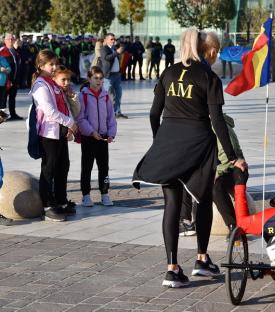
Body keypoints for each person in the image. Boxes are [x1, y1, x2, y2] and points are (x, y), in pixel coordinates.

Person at [132, 28, 248, 288]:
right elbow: (217, 121)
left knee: (171, 204)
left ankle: (172, 269)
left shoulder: (168, 72)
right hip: (198, 145)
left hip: (168, 142)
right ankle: (201, 259)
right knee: (203, 200)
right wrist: (232, 157)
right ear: (211, 51)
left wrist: (159, 141)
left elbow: (153, 114)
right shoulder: (209, 77)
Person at [179, 113, 245, 240]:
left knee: (214, 188)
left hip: (233, 169)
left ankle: (233, 227)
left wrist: (215, 173)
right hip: (221, 168)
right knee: (186, 177)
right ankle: (185, 222)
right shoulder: (209, 123)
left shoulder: (216, 125)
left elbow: (228, 156)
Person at [31, 50, 78, 222]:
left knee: (63, 166)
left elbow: (64, 105)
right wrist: (69, 122)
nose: (54, 67)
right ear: (41, 66)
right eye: (51, 64)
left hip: (61, 131)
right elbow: (49, 111)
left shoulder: (53, 83)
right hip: (48, 133)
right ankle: (47, 205)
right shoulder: (40, 85)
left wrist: (70, 123)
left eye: (55, 63)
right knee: (49, 168)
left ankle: (61, 199)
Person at [77, 66, 117, 207]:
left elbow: (111, 117)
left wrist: (111, 133)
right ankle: (86, 195)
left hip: (103, 137)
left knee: (104, 167)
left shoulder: (105, 96)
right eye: (96, 78)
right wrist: (91, 132)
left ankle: (104, 193)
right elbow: (80, 118)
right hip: (89, 137)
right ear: (89, 79)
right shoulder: (83, 96)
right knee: (86, 167)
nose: (99, 81)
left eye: (101, 78)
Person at [101, 33, 127, 119]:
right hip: (109, 76)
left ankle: (117, 112)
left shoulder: (114, 48)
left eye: (114, 39)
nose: (113, 41)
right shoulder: (104, 48)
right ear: (107, 40)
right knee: (107, 94)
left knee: (118, 94)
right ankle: (105, 113)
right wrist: (116, 52)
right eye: (111, 39)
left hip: (117, 75)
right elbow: (106, 58)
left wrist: (118, 50)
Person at [0, 33, 22, 120]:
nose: (10, 41)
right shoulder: (2, 50)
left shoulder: (15, 51)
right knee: (3, 98)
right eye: (8, 39)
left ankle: (13, 114)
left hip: (14, 79)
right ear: (4, 40)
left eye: (12, 39)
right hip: (5, 80)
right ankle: (2, 116)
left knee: (12, 97)